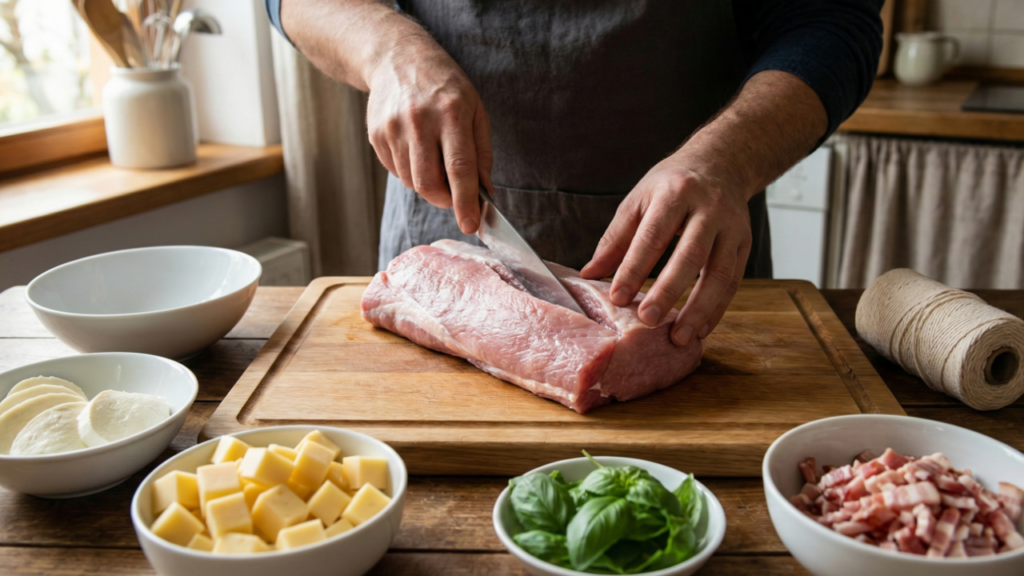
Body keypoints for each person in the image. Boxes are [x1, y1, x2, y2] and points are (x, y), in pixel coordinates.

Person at [267, 0, 882, 346]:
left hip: (691, 244)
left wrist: (729, 156)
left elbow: (831, 18)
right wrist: (387, 50)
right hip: (452, 228)